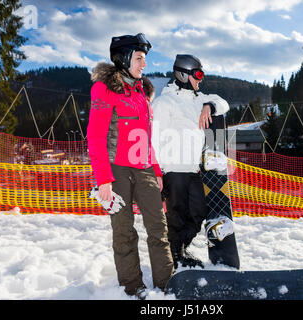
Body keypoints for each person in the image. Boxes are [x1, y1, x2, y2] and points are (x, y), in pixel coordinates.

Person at [87, 33, 174, 298]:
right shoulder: (104, 89)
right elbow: (95, 135)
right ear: (124, 58)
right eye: (139, 58)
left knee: (159, 228)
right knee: (124, 231)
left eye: (144, 59)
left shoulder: (141, 93)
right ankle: (133, 286)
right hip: (116, 170)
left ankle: (167, 283)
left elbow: (146, 137)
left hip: (145, 168)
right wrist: (103, 179)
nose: (144, 64)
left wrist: (156, 169)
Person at [151, 54, 229, 269]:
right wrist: (156, 172)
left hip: (193, 169)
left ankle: (177, 249)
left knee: (198, 213)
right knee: (176, 216)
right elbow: (153, 139)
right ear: (183, 74)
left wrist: (209, 106)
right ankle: (175, 256)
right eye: (198, 74)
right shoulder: (164, 102)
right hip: (172, 170)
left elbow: (224, 103)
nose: (200, 79)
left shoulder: (199, 99)